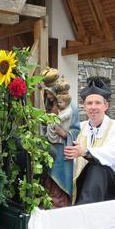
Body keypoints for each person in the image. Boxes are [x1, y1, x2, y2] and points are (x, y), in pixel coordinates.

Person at [64, 78, 115, 205]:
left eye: (98, 103)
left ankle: (83, 213)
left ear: (106, 106)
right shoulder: (79, 128)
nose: (93, 107)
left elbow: (113, 155)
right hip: (84, 183)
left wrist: (85, 151)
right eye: (89, 103)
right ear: (84, 106)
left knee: (98, 167)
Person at [42, 75, 80, 208]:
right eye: (45, 92)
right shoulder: (50, 105)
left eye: (49, 92)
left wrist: (64, 134)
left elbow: (76, 130)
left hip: (63, 147)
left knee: (60, 175)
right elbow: (45, 125)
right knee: (48, 174)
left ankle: (61, 202)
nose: (48, 95)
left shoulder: (71, 107)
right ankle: (48, 200)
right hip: (50, 145)